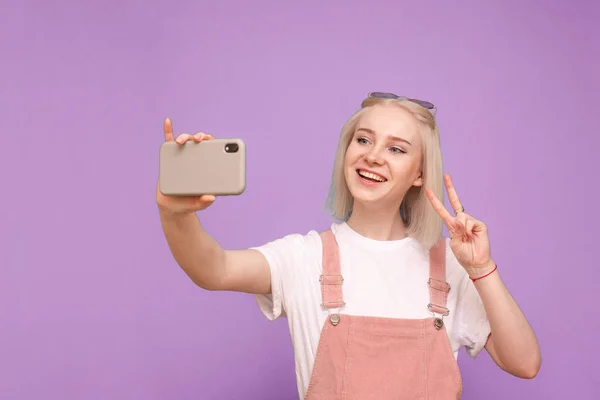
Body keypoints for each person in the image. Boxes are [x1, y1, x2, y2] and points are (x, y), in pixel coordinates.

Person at [156, 92, 541, 399]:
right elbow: (213, 269)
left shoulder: (450, 269)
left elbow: (524, 363)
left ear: (420, 173)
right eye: (363, 139)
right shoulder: (304, 258)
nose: (372, 155)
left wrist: (480, 269)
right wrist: (176, 214)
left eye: (396, 148)